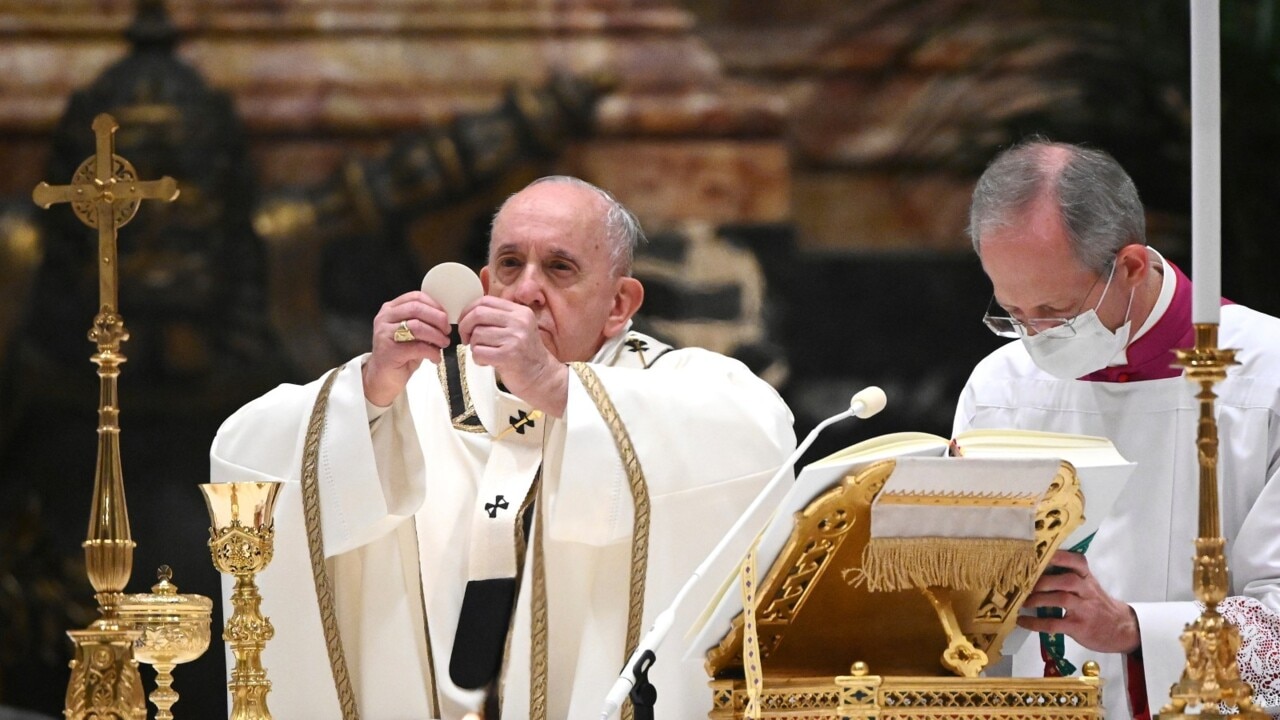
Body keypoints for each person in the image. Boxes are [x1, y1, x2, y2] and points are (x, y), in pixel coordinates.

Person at [208, 176, 797, 718]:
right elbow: (245, 452)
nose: (528, 290)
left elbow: (760, 438)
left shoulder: (672, 388)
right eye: (510, 266)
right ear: (482, 287)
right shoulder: (414, 391)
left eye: (560, 268)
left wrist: (556, 387)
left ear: (619, 305)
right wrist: (367, 391)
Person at [954, 139, 1280, 719]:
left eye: (1054, 312)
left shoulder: (1267, 376)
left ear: (1129, 267)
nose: (1034, 337)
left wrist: (1133, 629)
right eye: (1013, 313)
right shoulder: (998, 388)